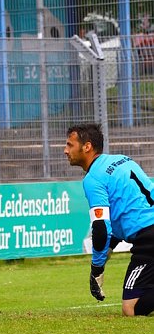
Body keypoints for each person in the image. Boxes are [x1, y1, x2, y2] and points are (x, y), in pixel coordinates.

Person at [64, 123, 154, 316]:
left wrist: (96, 269)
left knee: (131, 309)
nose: (65, 150)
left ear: (86, 147)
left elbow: (101, 228)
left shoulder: (93, 179)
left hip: (148, 240)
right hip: (148, 232)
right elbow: (119, 222)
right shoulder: (122, 160)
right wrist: (104, 257)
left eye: (70, 145)